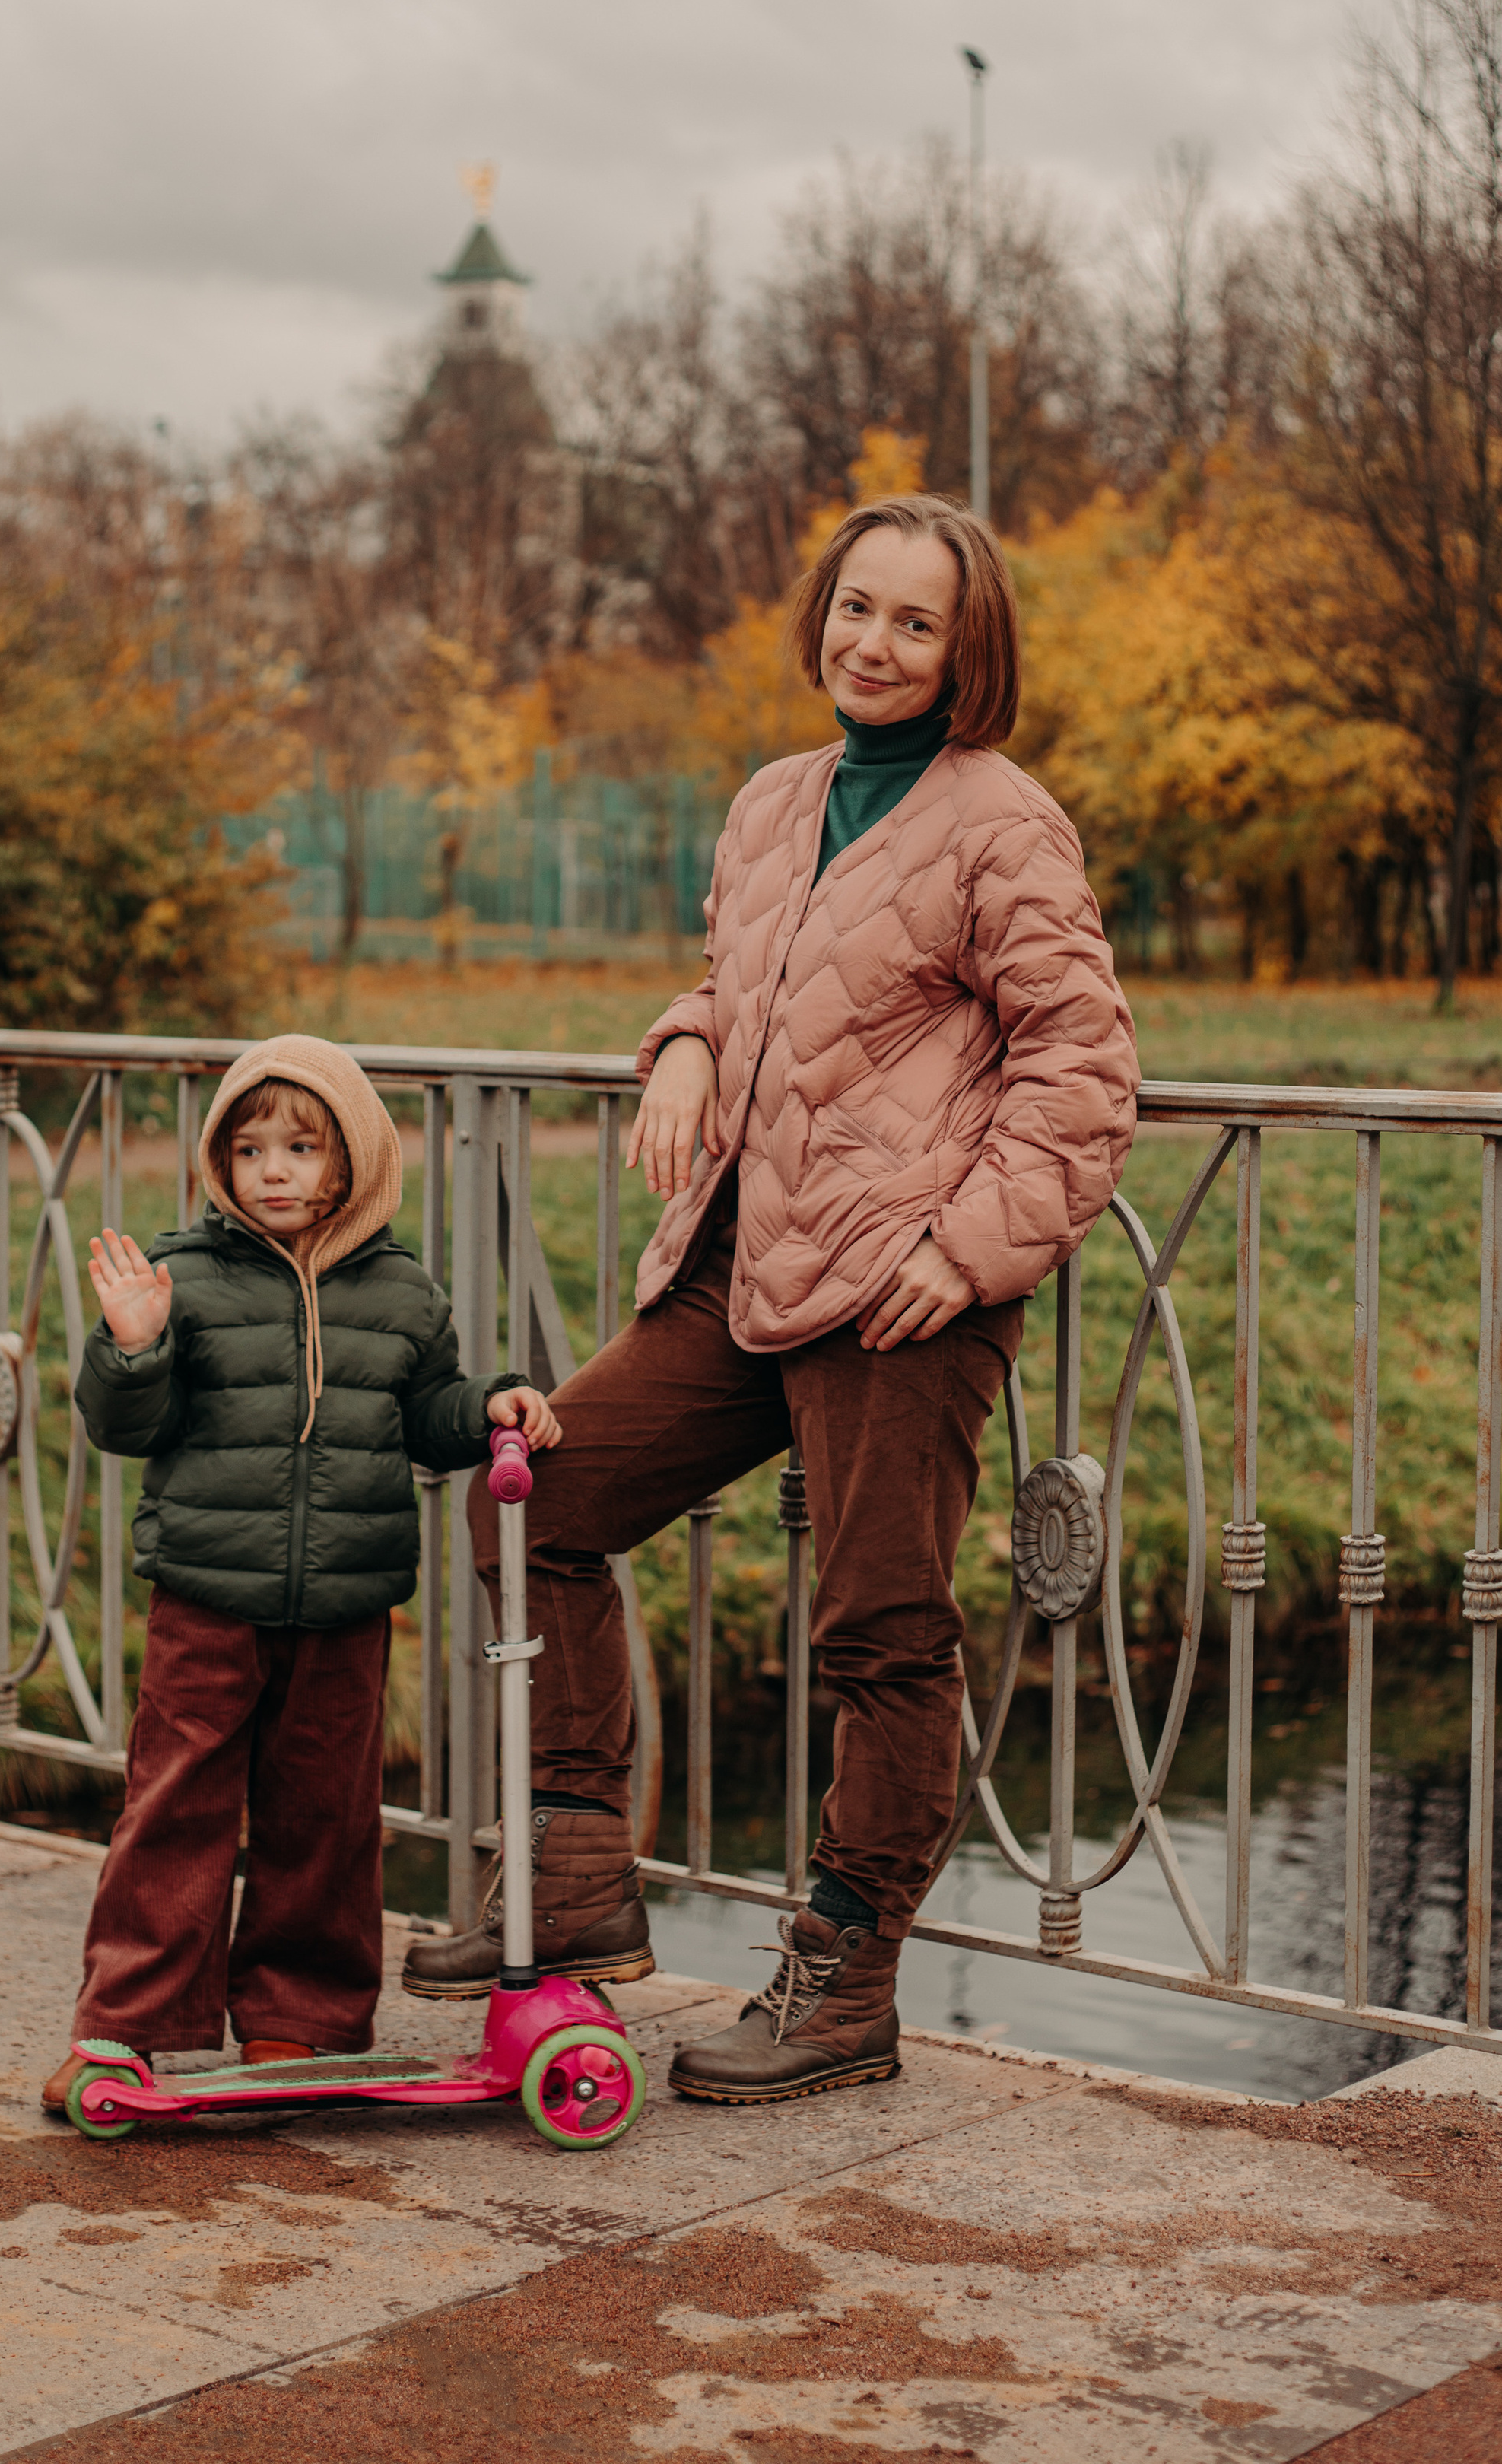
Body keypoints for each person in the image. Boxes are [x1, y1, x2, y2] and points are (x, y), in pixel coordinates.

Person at [403, 491, 1139, 2101]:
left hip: (899, 1293)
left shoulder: (997, 821)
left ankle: (841, 1974)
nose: (869, 643)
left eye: (912, 621)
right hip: (732, 1269)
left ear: (967, 650)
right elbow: (749, 980)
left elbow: (1080, 1065)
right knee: (534, 1501)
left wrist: (965, 1251)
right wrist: (679, 1039)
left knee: (877, 1630)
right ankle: (576, 1887)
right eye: (852, 608)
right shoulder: (769, 801)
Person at [40, 1033, 558, 2116]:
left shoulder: (402, 1293)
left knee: (326, 1812)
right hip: (205, 1592)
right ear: (219, 1163)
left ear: (352, 1164)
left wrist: (493, 1405)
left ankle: (299, 2020)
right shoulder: (183, 1279)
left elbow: (427, 1415)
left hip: (347, 1600)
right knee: (176, 1804)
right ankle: (126, 2026)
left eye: (302, 1147)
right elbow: (128, 1427)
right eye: (250, 1148)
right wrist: (133, 1346)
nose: (272, 1170)